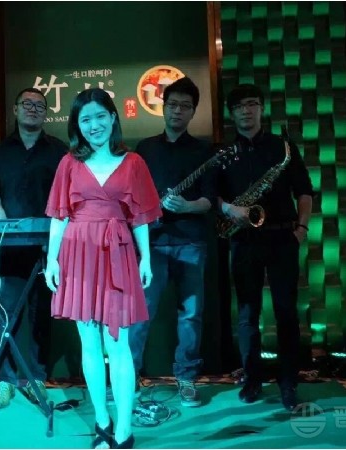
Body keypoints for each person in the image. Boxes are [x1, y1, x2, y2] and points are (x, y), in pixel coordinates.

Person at [44, 88, 162, 449]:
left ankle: (124, 430)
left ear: (112, 117)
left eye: (99, 116)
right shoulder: (69, 163)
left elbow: (140, 217)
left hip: (118, 253)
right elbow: (59, 216)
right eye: (85, 119)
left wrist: (145, 257)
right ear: (76, 125)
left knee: (119, 344)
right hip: (78, 252)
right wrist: (51, 259)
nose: (93, 125)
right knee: (89, 341)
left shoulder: (134, 162)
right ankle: (101, 421)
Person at [217, 84, 314, 411]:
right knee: (247, 315)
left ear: (261, 108)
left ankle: (288, 382)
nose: (246, 110)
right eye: (239, 106)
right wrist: (229, 208)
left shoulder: (283, 147)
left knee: (287, 313)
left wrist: (302, 228)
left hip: (282, 238)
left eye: (252, 104)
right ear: (231, 113)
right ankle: (252, 379)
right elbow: (213, 197)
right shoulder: (225, 153)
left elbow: (304, 191)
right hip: (244, 241)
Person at [127, 77, 217, 407]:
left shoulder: (204, 151)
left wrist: (187, 206)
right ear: (163, 108)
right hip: (151, 244)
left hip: (190, 243)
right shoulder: (145, 149)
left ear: (193, 111)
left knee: (191, 315)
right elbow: (132, 195)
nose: (178, 111)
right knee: (140, 314)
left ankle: (187, 378)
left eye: (185, 106)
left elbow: (210, 200)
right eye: (173, 104)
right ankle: (129, 377)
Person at [0, 87, 68, 409]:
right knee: (8, 312)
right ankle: (4, 380)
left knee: (41, 313)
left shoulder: (58, 150)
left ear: (46, 113)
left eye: (39, 105)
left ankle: (36, 378)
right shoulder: (3, 150)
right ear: (16, 110)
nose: (33, 109)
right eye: (27, 104)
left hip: (49, 245)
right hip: (11, 244)